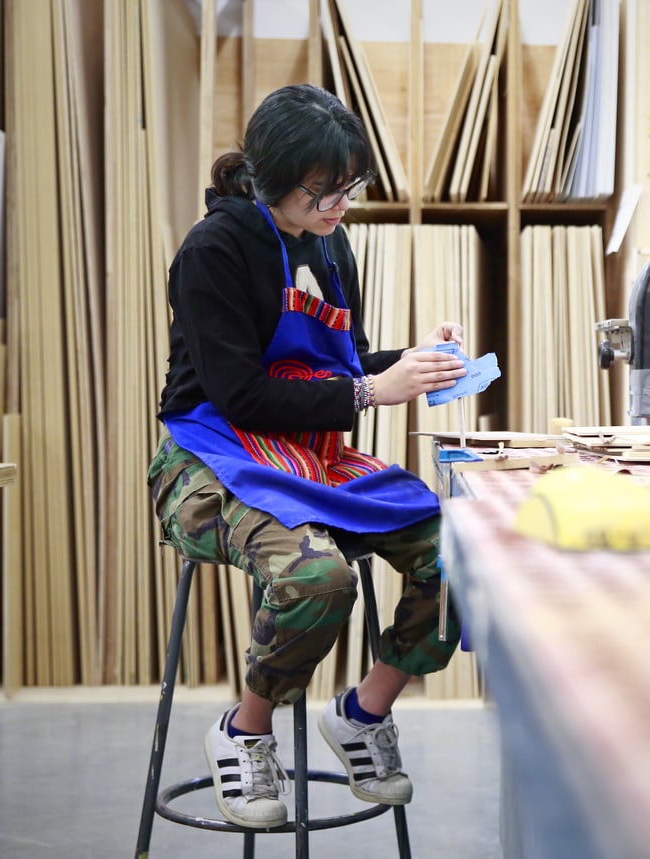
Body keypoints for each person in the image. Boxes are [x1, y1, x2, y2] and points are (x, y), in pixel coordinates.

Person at [147, 83, 467, 829]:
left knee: (458, 550)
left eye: (349, 186)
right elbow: (244, 398)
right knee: (319, 576)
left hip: (306, 450)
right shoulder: (214, 250)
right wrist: (372, 392)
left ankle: (362, 712)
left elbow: (347, 366)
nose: (339, 205)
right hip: (208, 458)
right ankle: (244, 728)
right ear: (270, 179)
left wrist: (416, 362)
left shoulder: (329, 241)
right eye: (322, 191)